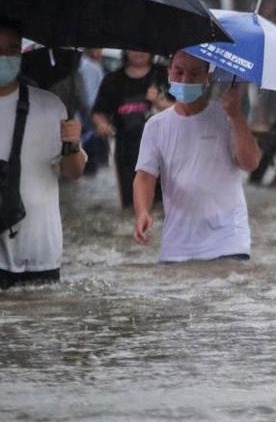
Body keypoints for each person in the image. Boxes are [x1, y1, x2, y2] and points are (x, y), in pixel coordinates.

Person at [132, 51, 261, 262]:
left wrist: (236, 117)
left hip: (228, 241)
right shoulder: (156, 126)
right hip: (177, 245)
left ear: (207, 77)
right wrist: (142, 211)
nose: (185, 79)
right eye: (179, 72)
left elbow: (250, 162)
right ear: (169, 73)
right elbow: (145, 176)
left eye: (194, 73)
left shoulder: (226, 116)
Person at [0, 19, 87, 289]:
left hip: (41, 252)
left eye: (12, 50)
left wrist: (72, 143)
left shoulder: (50, 107)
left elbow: (74, 172)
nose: (5, 58)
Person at [91, 50, 168, 207]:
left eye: (142, 48)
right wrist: (101, 125)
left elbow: (184, 108)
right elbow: (99, 112)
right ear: (124, 50)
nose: (137, 52)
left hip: (163, 150)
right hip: (126, 150)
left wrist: (161, 103)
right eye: (132, 48)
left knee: (162, 204)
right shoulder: (112, 80)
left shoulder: (165, 75)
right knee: (132, 203)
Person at [77, 47, 109, 175]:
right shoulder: (91, 68)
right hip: (87, 114)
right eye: (98, 49)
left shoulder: (93, 67)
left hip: (89, 114)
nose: (100, 52)